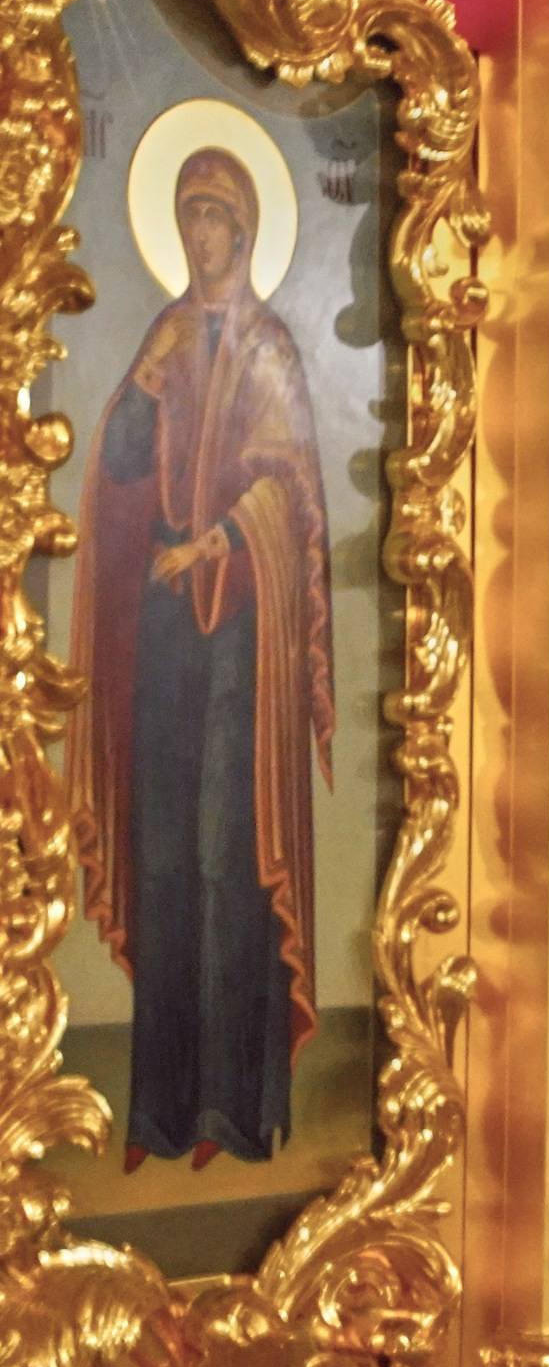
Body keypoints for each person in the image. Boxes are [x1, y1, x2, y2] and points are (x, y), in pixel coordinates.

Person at [68, 146, 334, 1172]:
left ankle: (231, 1108)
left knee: (230, 854)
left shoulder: (273, 348)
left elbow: (290, 495)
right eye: (189, 215)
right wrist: (145, 376)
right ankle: (161, 1112)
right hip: (167, 622)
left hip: (242, 633)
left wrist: (215, 541)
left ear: (247, 229)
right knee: (165, 852)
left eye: (215, 215)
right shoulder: (168, 336)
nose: (200, 233)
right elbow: (121, 463)